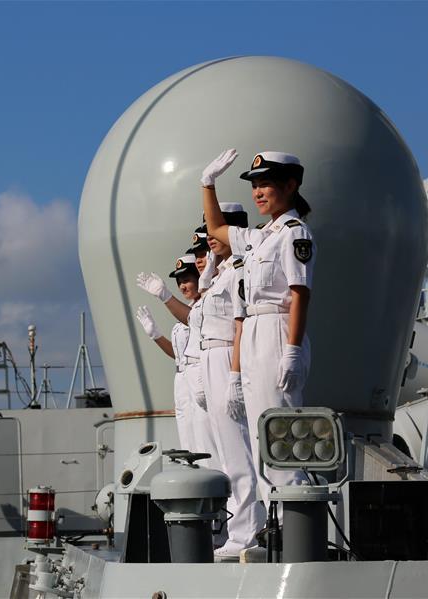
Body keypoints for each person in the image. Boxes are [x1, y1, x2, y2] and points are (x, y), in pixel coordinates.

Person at [199, 149, 316, 502]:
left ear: (290, 185)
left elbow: (299, 294)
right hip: (252, 331)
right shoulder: (260, 235)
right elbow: (217, 228)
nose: (258, 192)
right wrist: (207, 184)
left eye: (266, 184)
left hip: (277, 331)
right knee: (258, 436)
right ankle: (274, 524)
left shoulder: (295, 233)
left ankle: (293, 520)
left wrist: (292, 350)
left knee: (279, 431)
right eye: (255, 186)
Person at [195, 202, 267, 557]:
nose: (210, 237)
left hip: (227, 356)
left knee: (239, 451)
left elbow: (239, 325)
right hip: (211, 357)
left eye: (216, 229)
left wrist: (235, 375)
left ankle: (247, 532)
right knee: (225, 453)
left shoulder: (240, 269)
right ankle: (237, 528)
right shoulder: (222, 271)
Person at [135, 254, 203, 455]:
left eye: (187, 280)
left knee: (204, 438)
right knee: (188, 439)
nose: (183, 286)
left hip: (199, 374)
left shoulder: (200, 310)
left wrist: (164, 296)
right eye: (179, 282)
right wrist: (155, 335)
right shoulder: (186, 311)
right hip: (182, 379)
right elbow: (178, 355)